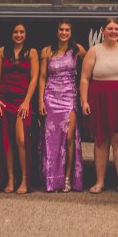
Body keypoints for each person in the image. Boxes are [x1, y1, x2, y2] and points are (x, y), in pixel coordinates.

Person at [80, 17, 118, 195]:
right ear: (103, 31)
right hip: (99, 99)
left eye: (116, 29)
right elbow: (84, 78)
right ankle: (99, 182)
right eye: (110, 29)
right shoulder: (94, 51)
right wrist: (84, 101)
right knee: (101, 140)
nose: (113, 32)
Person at [38, 20, 86, 192]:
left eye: (67, 30)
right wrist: (40, 100)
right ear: (57, 32)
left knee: (69, 137)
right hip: (51, 97)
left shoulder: (77, 50)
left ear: (71, 33)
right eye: (61, 30)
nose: (64, 32)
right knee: (51, 139)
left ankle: (67, 178)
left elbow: (89, 66)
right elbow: (42, 77)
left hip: (69, 97)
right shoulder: (47, 51)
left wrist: (82, 89)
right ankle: (52, 178)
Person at [0, 22, 39, 194]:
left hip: (22, 101)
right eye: (15, 32)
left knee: (21, 139)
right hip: (4, 100)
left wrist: (27, 102)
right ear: (10, 34)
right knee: (7, 141)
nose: (19, 35)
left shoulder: (31, 52)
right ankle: (10, 178)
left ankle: (25, 179)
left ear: (26, 34)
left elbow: (34, 78)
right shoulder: (2, 51)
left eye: (22, 32)